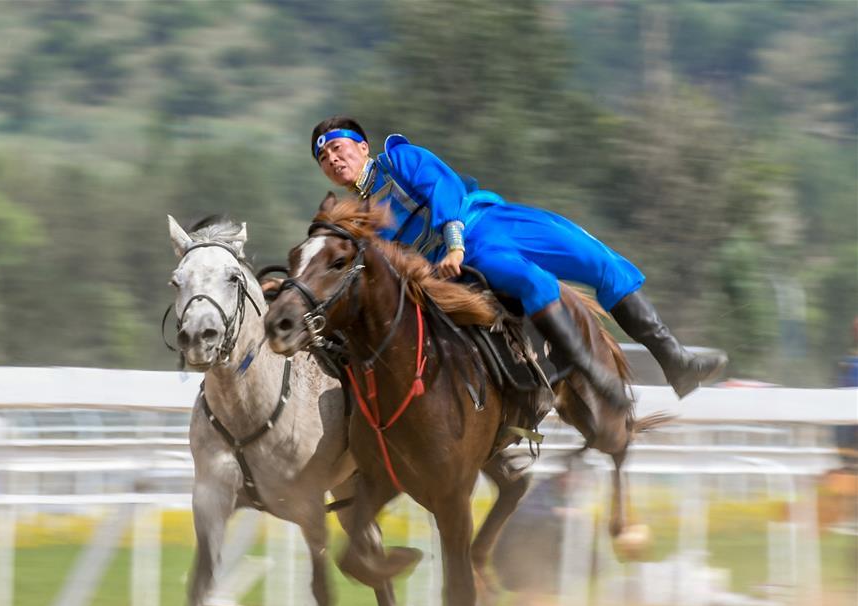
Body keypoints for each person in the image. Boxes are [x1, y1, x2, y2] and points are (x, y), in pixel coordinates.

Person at [310, 116, 728, 407]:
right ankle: (591, 374)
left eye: (337, 148)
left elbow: (444, 188)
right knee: (530, 281)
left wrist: (453, 239)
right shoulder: (358, 223)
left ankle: (676, 362)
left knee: (600, 260)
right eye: (324, 158)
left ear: (362, 147)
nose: (333, 159)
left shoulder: (400, 158)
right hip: (462, 263)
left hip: (486, 220)